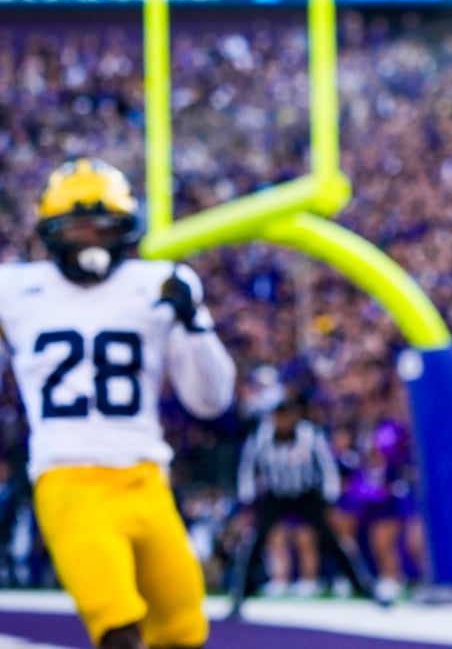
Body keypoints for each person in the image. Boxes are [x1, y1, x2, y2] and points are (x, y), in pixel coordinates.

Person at [0, 158, 236, 649]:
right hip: (69, 478)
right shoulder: (16, 289)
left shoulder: (158, 283)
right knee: (118, 629)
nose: (90, 240)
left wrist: (194, 324)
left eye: (103, 227)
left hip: (148, 478)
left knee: (183, 631)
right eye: (77, 227)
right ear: (51, 233)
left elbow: (211, 401)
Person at [228, 398, 379, 618]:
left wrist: (329, 500)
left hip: (307, 494)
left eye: (286, 416)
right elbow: (248, 468)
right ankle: (240, 594)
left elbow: (327, 467)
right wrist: (248, 502)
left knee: (333, 541)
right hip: (275, 495)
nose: (282, 421)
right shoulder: (259, 438)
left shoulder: (310, 435)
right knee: (255, 540)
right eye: (278, 416)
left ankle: (364, 587)